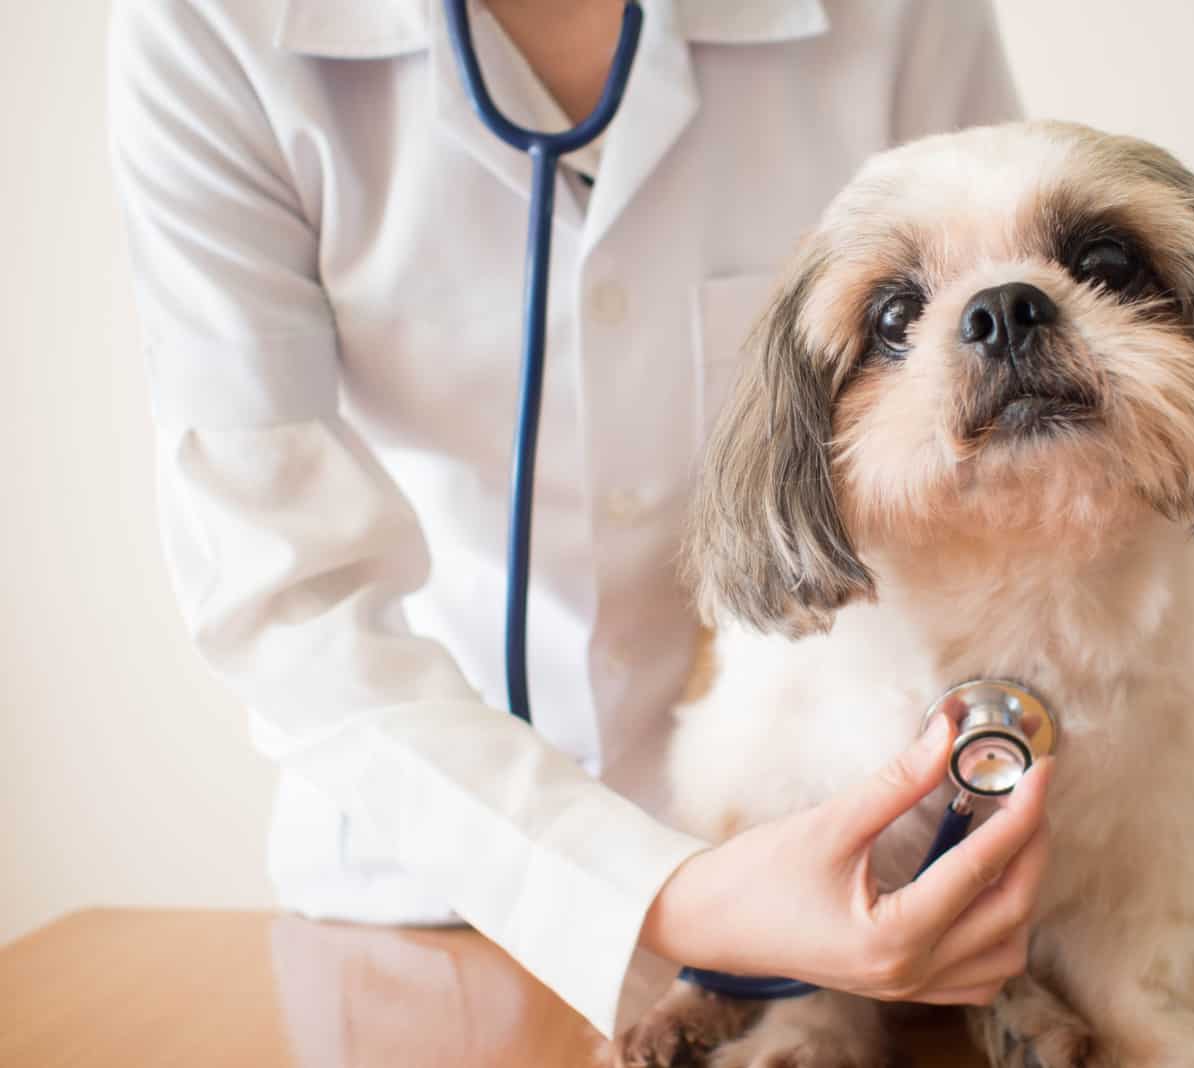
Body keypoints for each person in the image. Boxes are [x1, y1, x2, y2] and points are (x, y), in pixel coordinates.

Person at [107, 0, 1050, 1039]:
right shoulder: (210, 24)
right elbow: (286, 597)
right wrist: (676, 895)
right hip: (424, 900)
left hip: (865, 889)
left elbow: (1011, 448)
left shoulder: (903, 17)